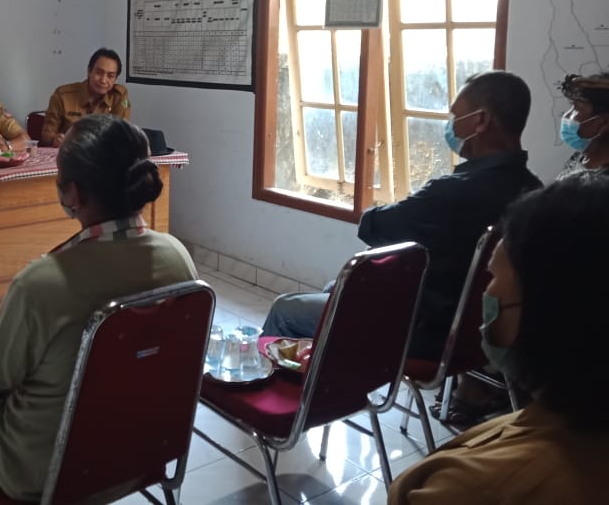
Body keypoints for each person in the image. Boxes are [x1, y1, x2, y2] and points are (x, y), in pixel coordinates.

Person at [0, 114, 197, 505]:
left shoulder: (41, 283)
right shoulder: (178, 257)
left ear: (72, 193)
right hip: (145, 450)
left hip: (50, 473)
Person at [261, 71, 541, 362]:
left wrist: (413, 202)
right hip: (480, 336)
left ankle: (286, 386)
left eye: (455, 116)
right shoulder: (534, 193)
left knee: (287, 309)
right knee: (334, 290)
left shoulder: (450, 193)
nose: (451, 126)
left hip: (421, 332)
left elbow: (373, 225)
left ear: (480, 120)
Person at [388, 173, 609, 504]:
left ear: (547, 312)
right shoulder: (571, 417)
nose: (486, 294)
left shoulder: (474, 488)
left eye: (492, 278)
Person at [40, 48, 131, 147]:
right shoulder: (63, 95)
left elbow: (121, 135)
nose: (103, 80)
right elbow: (46, 135)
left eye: (110, 76)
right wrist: (55, 139)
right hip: (70, 152)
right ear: (89, 71)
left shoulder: (118, 97)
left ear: (115, 79)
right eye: (99, 72)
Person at [556, 72, 609, 175]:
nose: (566, 116)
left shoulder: (602, 182)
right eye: (571, 106)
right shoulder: (577, 160)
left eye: (577, 108)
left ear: (603, 122)